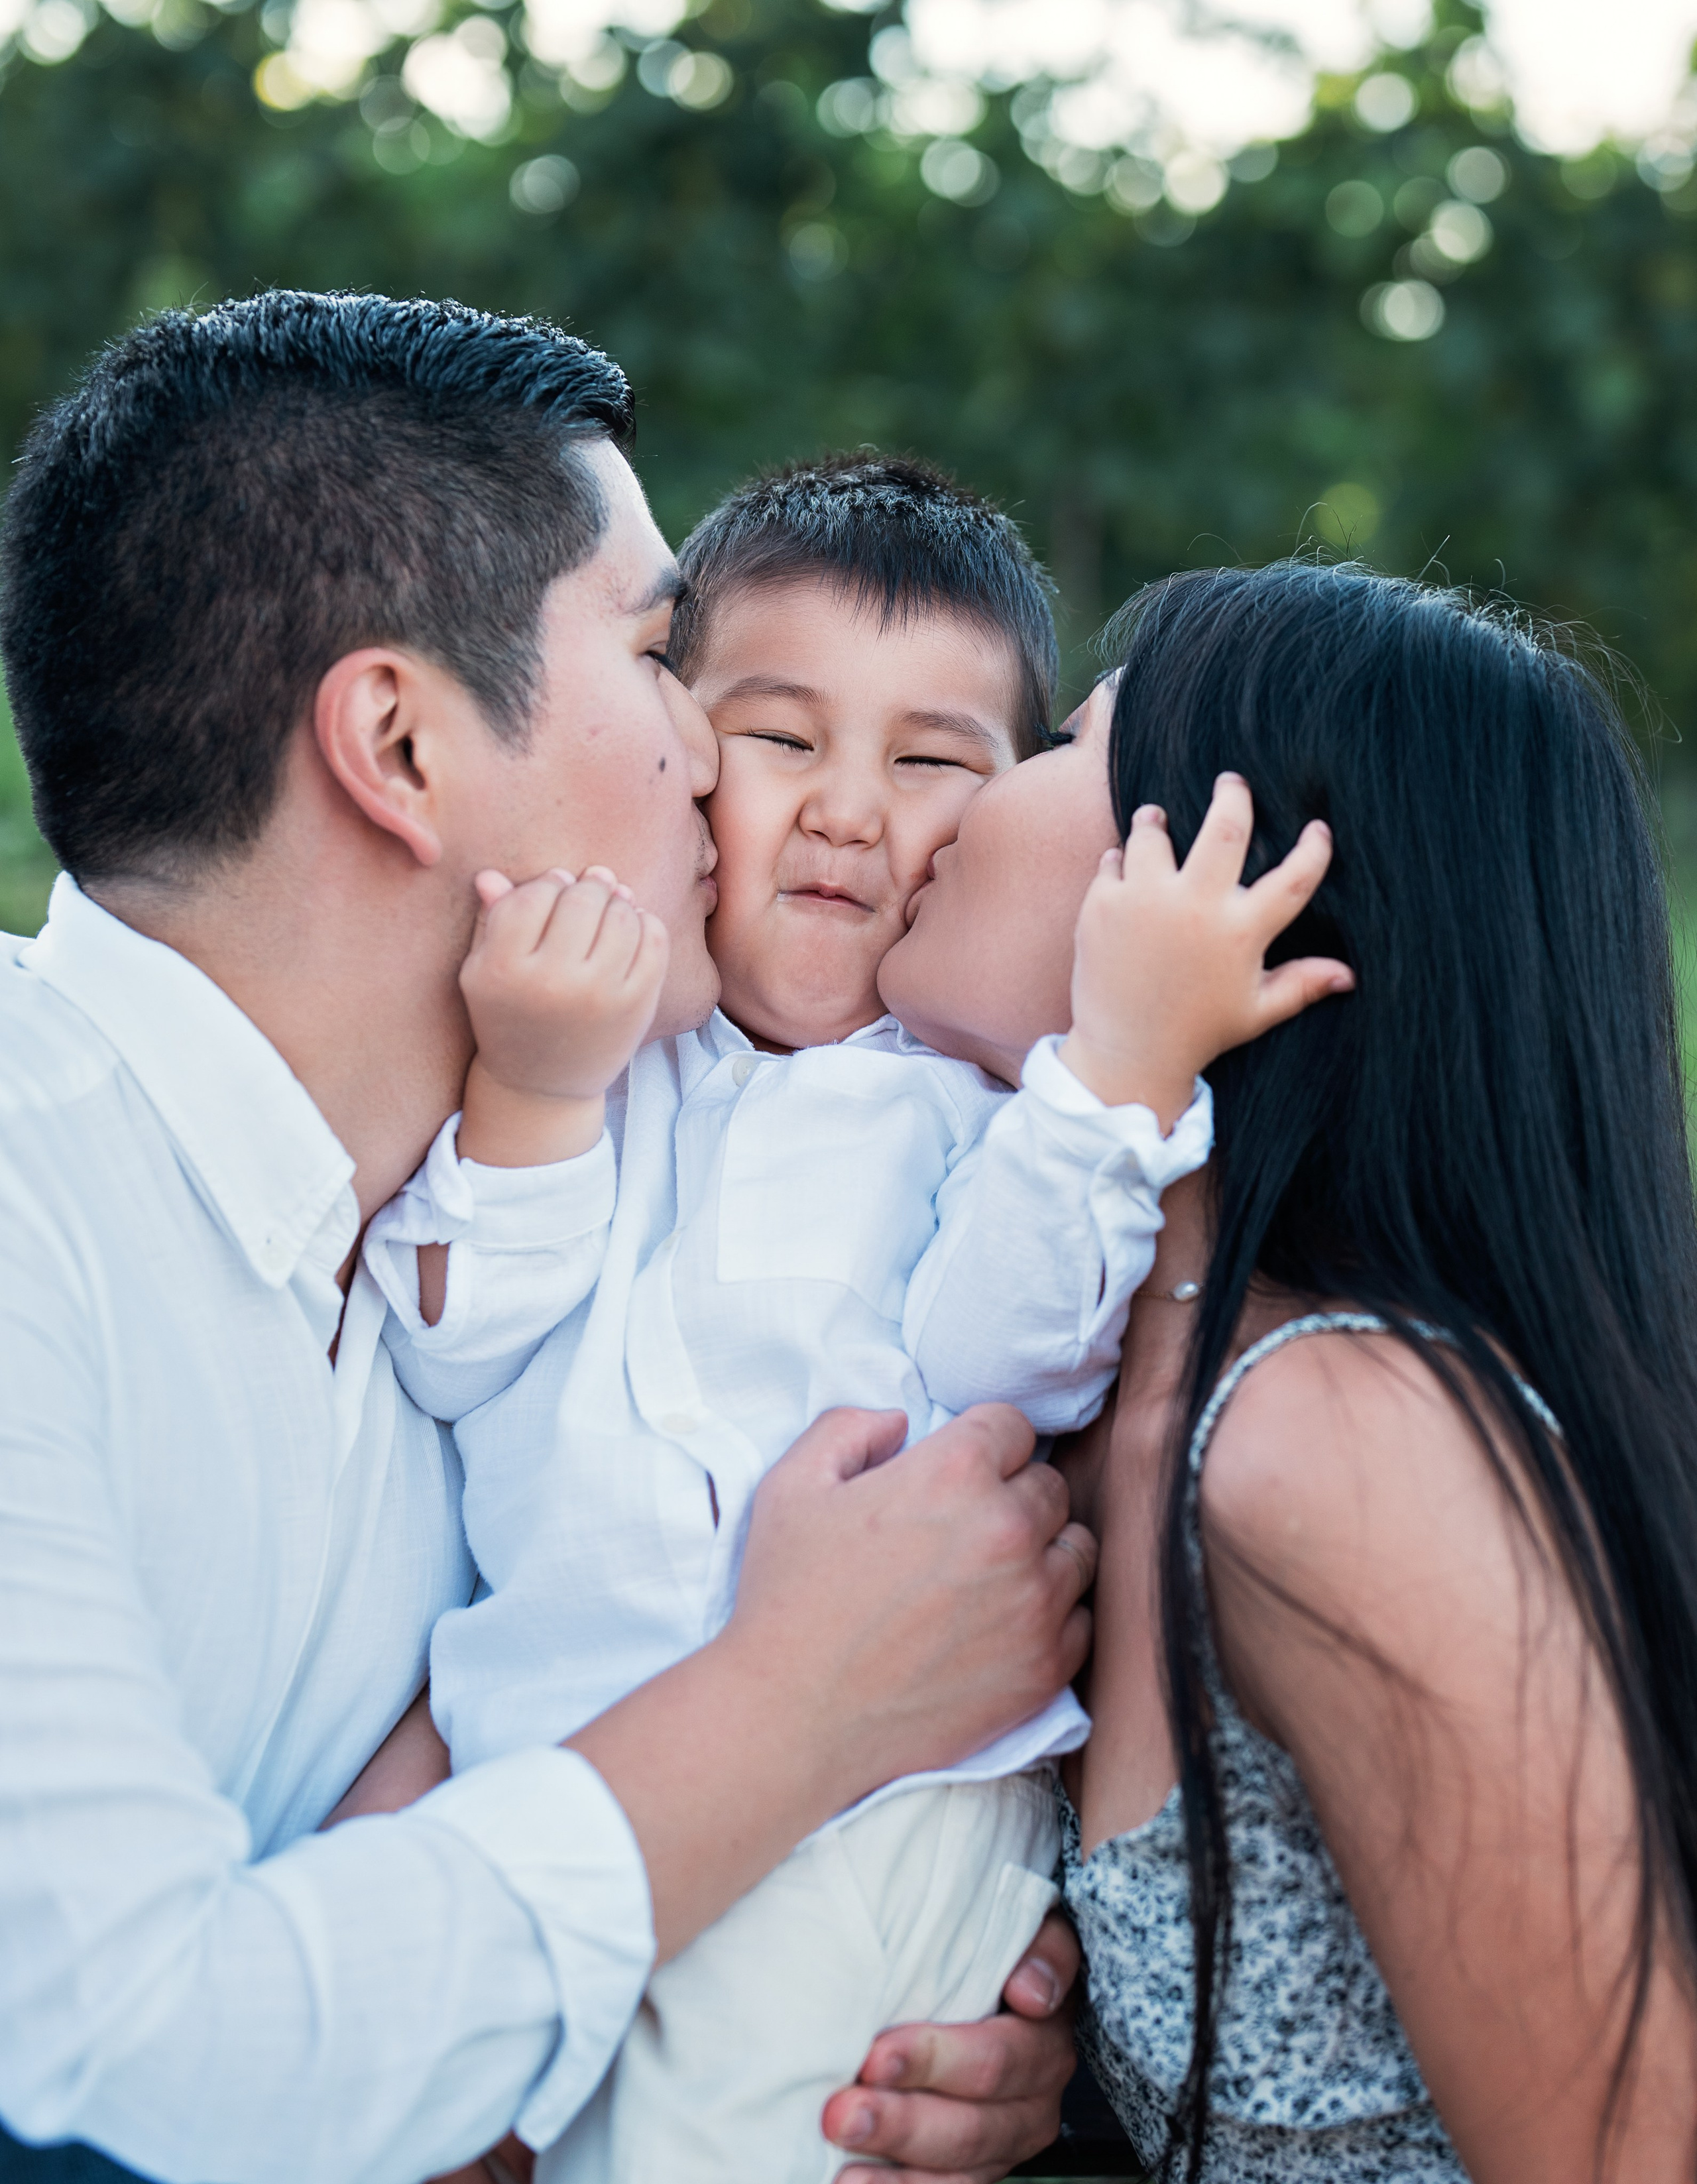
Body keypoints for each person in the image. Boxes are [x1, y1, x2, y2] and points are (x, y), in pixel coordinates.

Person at [0, 290, 1095, 2184]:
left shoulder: (503, 1214)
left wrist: (869, 1985)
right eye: (668, 656)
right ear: (403, 749)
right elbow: (105, 2056)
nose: (714, 758)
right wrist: (791, 1718)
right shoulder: (33, 1197)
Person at [352, 455, 1351, 2182]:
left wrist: (1112, 1079)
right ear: (675, 753)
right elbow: (453, 1344)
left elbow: (998, 1367)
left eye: (933, 762)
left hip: (867, 1813)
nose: (847, 811)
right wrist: (530, 1093)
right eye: (783, 740)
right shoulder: (613, 1051)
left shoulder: (984, 1111)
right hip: (575, 1807)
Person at [878, 559, 1697, 2178]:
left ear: (1248, 906)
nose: (971, 791)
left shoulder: (1326, 1438)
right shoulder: (1089, 1375)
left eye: (1059, 743)